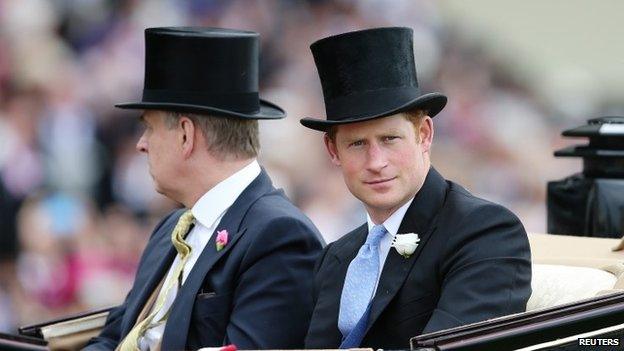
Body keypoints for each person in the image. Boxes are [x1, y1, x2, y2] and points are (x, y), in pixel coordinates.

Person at [84, 27, 323, 351]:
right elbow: (116, 337)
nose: (141, 144)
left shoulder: (279, 236)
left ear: (185, 135)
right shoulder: (172, 229)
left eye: (149, 128)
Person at [301, 27, 531, 349]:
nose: (376, 161)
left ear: (424, 134)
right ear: (333, 151)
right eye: (356, 144)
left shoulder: (484, 233)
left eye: (389, 139)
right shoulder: (336, 258)